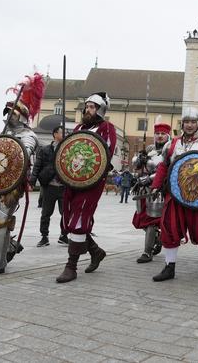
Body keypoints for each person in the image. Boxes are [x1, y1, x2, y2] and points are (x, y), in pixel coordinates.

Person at [0, 74, 44, 277]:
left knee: (0, 222)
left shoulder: (28, 136)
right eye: (7, 113)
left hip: (12, 184)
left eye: (12, 114)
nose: (8, 117)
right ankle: (10, 245)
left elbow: (22, 157)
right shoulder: (3, 133)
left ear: (21, 116)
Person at [149, 107, 198, 282]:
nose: (189, 125)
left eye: (193, 122)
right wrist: (155, 186)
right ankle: (169, 266)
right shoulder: (172, 144)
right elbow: (163, 167)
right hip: (174, 195)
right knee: (169, 228)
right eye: (186, 122)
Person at [56, 92, 116, 283]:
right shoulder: (79, 127)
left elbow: (106, 152)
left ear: (100, 110)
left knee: (80, 215)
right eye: (87, 106)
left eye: (92, 107)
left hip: (92, 180)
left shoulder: (106, 127)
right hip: (73, 179)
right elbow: (70, 150)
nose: (88, 110)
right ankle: (96, 252)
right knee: (69, 217)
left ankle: (71, 266)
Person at [131, 116, 171, 263]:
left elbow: (165, 170)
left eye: (163, 133)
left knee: (152, 221)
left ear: (168, 135)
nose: (160, 136)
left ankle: (147, 252)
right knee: (141, 220)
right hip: (143, 190)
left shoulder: (170, 150)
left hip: (159, 190)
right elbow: (137, 166)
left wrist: (149, 179)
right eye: (157, 133)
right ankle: (157, 239)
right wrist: (139, 159)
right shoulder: (149, 149)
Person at [30, 125, 68, 247]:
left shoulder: (67, 150)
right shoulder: (45, 149)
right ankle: (44, 237)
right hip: (49, 186)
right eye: (62, 132)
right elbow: (37, 166)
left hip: (63, 186)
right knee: (46, 213)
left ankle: (64, 235)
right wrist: (32, 181)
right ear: (55, 134)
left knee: (65, 213)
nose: (64, 135)